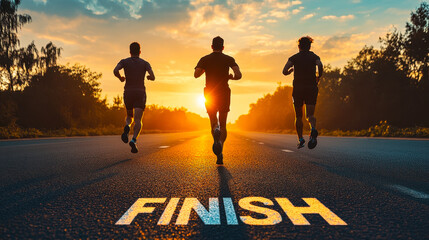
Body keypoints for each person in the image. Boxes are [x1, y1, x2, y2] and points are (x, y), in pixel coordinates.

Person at [194, 36, 242, 164]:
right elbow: (239, 75)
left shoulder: (204, 59)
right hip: (224, 92)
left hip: (209, 93)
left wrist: (205, 69)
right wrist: (232, 78)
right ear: (223, 47)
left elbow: (196, 74)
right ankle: (220, 146)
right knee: (223, 123)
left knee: (213, 121)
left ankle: (215, 128)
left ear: (211, 47)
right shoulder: (229, 59)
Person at [114, 42, 155, 153]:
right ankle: (134, 140)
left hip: (128, 92)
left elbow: (115, 70)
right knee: (138, 120)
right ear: (140, 52)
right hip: (140, 92)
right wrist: (149, 77)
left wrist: (120, 78)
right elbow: (153, 76)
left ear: (130, 51)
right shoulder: (145, 63)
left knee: (129, 116)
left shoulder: (124, 61)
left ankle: (127, 126)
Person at [283, 36, 323, 149]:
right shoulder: (314, 56)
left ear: (299, 46)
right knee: (310, 115)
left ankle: (301, 139)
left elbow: (284, 71)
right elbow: (320, 64)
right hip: (311, 88)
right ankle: (313, 129)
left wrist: (291, 70)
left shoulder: (294, 58)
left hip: (298, 90)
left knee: (298, 116)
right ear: (309, 46)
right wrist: (318, 76)